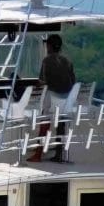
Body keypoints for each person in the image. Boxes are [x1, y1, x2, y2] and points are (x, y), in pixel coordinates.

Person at [27, 34, 75, 162]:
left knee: (44, 123)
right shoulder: (68, 62)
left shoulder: (47, 61)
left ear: (49, 46)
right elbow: (72, 81)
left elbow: (42, 81)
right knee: (61, 123)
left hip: (52, 99)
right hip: (65, 101)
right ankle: (59, 154)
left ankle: (38, 154)